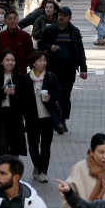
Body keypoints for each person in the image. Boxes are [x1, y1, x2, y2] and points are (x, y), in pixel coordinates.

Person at [15, 50, 64, 182]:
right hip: (32, 117)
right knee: (33, 146)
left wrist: (50, 97)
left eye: (44, 60)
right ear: (33, 63)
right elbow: (20, 98)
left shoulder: (50, 77)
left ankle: (43, 172)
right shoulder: (25, 79)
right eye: (40, 61)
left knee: (46, 146)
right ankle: (37, 165)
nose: (43, 63)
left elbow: (58, 94)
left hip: (48, 117)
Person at [38, 6, 87, 129]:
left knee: (65, 95)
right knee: (53, 94)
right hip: (52, 70)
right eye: (60, 14)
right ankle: (55, 119)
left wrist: (83, 68)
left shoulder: (74, 31)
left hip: (69, 70)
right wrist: (50, 47)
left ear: (69, 18)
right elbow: (40, 44)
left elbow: (80, 50)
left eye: (64, 15)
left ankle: (62, 120)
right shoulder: (50, 30)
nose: (61, 17)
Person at [0, 51, 28, 158]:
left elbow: (25, 97)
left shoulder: (19, 77)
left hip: (15, 114)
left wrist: (16, 94)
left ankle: (13, 168)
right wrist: (3, 92)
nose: (10, 63)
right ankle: (3, 168)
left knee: (15, 142)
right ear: (1, 62)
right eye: (7, 60)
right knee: (1, 141)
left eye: (13, 60)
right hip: (0, 113)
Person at [0, 10, 35, 75]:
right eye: (9, 19)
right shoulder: (0, 36)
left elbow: (30, 52)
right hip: (4, 70)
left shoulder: (25, 36)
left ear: (18, 19)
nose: (12, 21)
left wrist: (25, 64)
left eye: (14, 18)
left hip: (21, 70)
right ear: (5, 21)